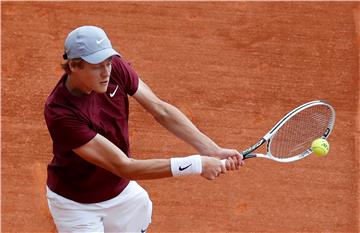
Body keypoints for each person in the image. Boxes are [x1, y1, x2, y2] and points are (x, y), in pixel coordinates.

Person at [44, 25, 244, 233]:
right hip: (76, 205)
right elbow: (124, 166)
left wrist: (211, 150)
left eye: (108, 63)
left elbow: (160, 110)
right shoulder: (60, 112)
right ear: (74, 66)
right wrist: (197, 164)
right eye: (96, 67)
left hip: (121, 195)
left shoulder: (116, 70)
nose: (106, 72)